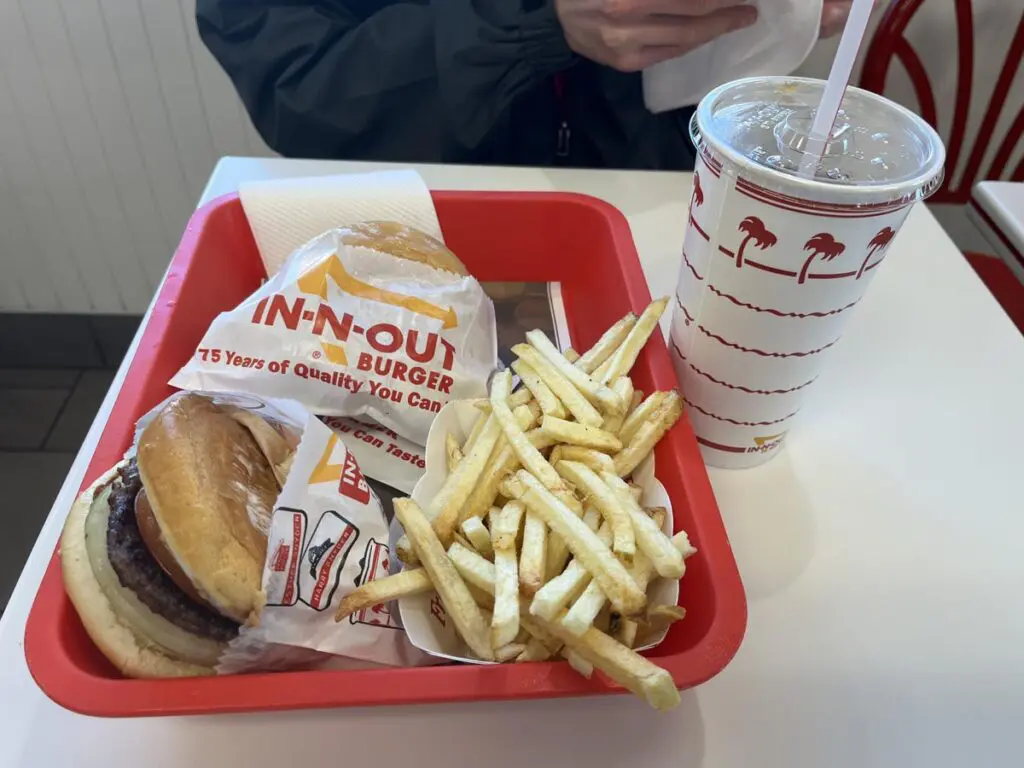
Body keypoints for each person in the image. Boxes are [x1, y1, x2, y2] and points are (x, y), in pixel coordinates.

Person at [197, 0, 852, 171]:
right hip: (413, 207)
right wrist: (532, 24)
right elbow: (298, 85)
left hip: (653, 190)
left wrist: (779, 18)